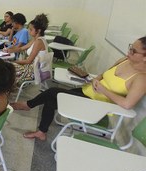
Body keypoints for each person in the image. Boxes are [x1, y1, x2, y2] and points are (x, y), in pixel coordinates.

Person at [13, 36, 146, 141]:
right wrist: (96, 80)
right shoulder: (124, 60)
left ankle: (28, 105)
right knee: (52, 99)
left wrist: (103, 90)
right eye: (130, 47)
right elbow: (103, 74)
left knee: (53, 92)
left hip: (98, 105)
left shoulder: (141, 78)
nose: (129, 52)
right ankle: (41, 132)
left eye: (134, 51)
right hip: (86, 92)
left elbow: (127, 104)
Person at [12, 13, 49, 85]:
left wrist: (14, 62)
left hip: (32, 71)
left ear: (38, 31)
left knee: (7, 68)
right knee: (6, 66)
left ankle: (5, 90)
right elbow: (21, 48)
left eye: (31, 29)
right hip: (30, 67)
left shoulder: (39, 42)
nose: (28, 31)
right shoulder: (36, 39)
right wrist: (9, 50)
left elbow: (28, 61)